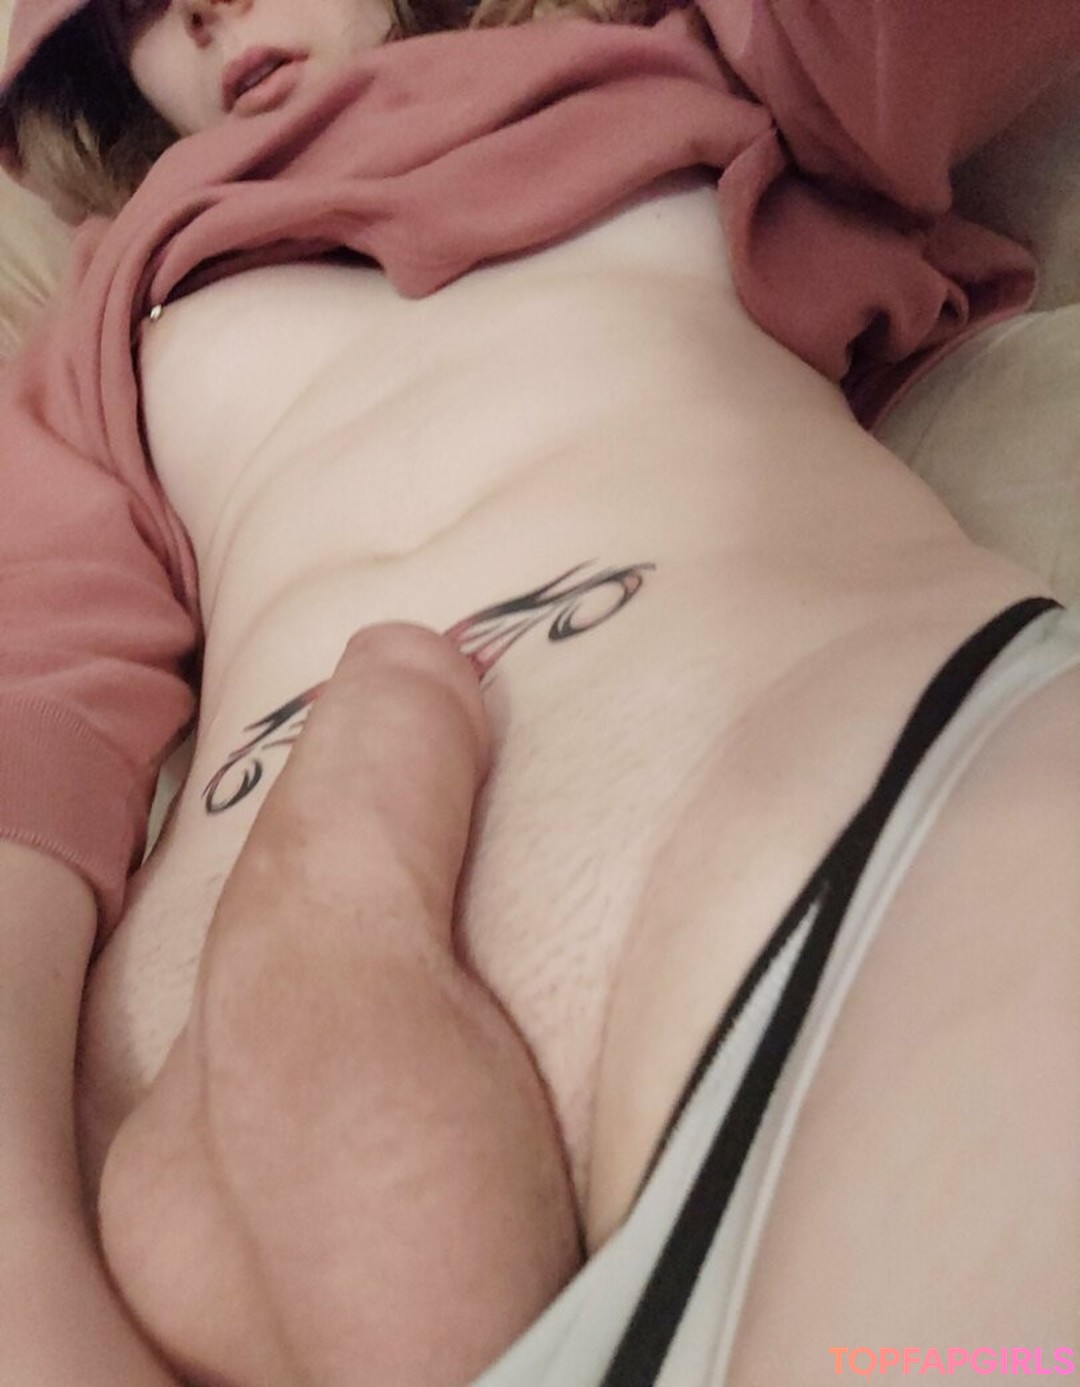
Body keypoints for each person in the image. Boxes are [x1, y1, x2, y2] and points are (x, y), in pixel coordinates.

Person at [0, 1, 1077, 1385]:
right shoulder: (109, 306)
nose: (201, 7)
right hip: (214, 1210)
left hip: (867, 866)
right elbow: (28, 728)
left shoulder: (691, 61)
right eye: (130, 4)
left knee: (1001, 1351)